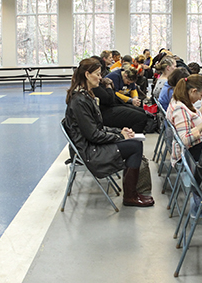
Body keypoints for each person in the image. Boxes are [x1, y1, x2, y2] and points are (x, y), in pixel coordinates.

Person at [65, 58, 154, 207]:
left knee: (134, 143)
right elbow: (93, 134)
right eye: (98, 74)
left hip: (92, 144)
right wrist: (119, 136)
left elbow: (98, 127)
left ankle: (131, 193)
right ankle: (130, 196)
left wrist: (120, 131)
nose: (101, 78)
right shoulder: (79, 101)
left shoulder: (85, 96)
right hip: (90, 151)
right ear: (87, 75)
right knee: (135, 147)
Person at [166, 74, 202, 163]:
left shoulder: (179, 100)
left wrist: (201, 110)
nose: (200, 99)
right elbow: (185, 140)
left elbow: (188, 119)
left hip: (193, 147)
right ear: (193, 91)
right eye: (201, 95)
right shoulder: (179, 108)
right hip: (188, 152)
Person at [90, 57, 151, 133]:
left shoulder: (99, 83)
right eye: (98, 74)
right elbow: (111, 98)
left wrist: (135, 98)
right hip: (108, 108)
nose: (100, 77)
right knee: (141, 117)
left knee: (142, 111)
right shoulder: (112, 78)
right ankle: (132, 137)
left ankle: (133, 135)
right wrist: (109, 87)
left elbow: (133, 89)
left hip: (114, 103)